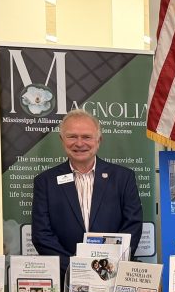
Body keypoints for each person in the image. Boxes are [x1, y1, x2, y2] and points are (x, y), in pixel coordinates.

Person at [31, 109, 143, 263]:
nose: (79, 143)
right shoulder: (45, 182)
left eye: (86, 137)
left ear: (99, 140)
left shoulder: (123, 178)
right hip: (66, 276)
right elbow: (41, 235)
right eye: (72, 136)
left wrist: (109, 265)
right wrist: (75, 268)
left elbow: (133, 226)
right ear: (62, 139)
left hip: (111, 273)